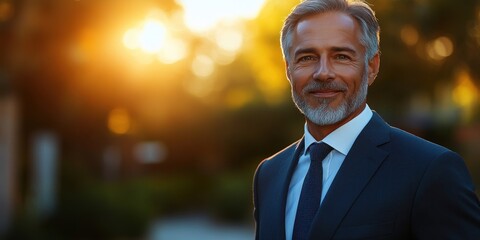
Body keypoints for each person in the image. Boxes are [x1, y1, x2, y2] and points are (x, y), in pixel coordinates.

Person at [252, 0, 480, 239]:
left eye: (341, 56)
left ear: (371, 67)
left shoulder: (430, 170)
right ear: (289, 70)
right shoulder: (269, 174)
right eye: (307, 58)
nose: (323, 72)